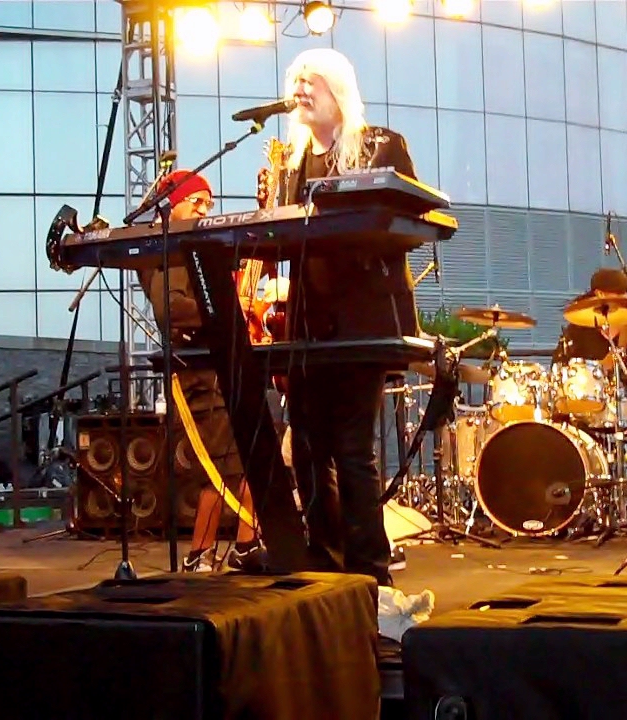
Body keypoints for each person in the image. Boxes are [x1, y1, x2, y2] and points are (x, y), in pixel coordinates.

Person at [278, 48, 421, 587]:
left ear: (337, 88)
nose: (300, 89)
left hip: (362, 320)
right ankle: (325, 556)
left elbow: (410, 219)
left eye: (309, 80)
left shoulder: (381, 146)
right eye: (294, 80)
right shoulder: (293, 163)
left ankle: (370, 569)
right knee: (307, 447)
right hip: (309, 325)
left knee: (353, 448)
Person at [136, 169, 265, 573]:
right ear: (171, 206)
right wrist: (228, 311)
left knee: (233, 461)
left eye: (209, 203)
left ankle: (228, 547)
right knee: (229, 462)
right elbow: (171, 309)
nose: (204, 210)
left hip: (213, 364)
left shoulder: (188, 249)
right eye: (196, 202)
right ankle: (223, 548)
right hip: (196, 370)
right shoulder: (172, 251)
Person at [552, 267, 627, 492]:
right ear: (600, 294)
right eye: (618, 293)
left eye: (625, 292)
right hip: (586, 407)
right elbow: (559, 368)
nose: (624, 297)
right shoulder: (578, 329)